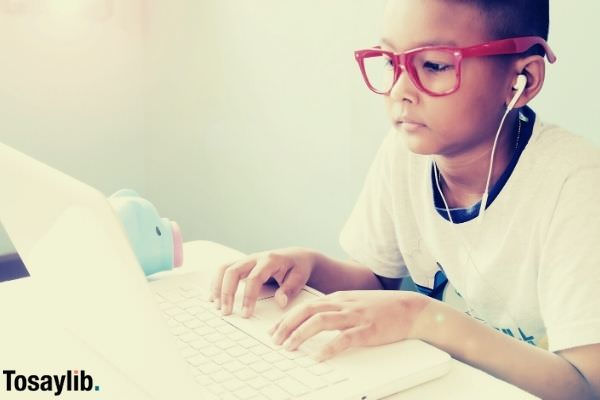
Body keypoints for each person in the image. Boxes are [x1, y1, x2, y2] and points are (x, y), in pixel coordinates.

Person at [209, 0, 600, 398]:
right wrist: (307, 266)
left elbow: (585, 385)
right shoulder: (404, 153)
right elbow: (376, 279)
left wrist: (425, 316)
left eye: (433, 65)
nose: (399, 91)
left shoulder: (577, 184)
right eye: (390, 63)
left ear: (523, 80)